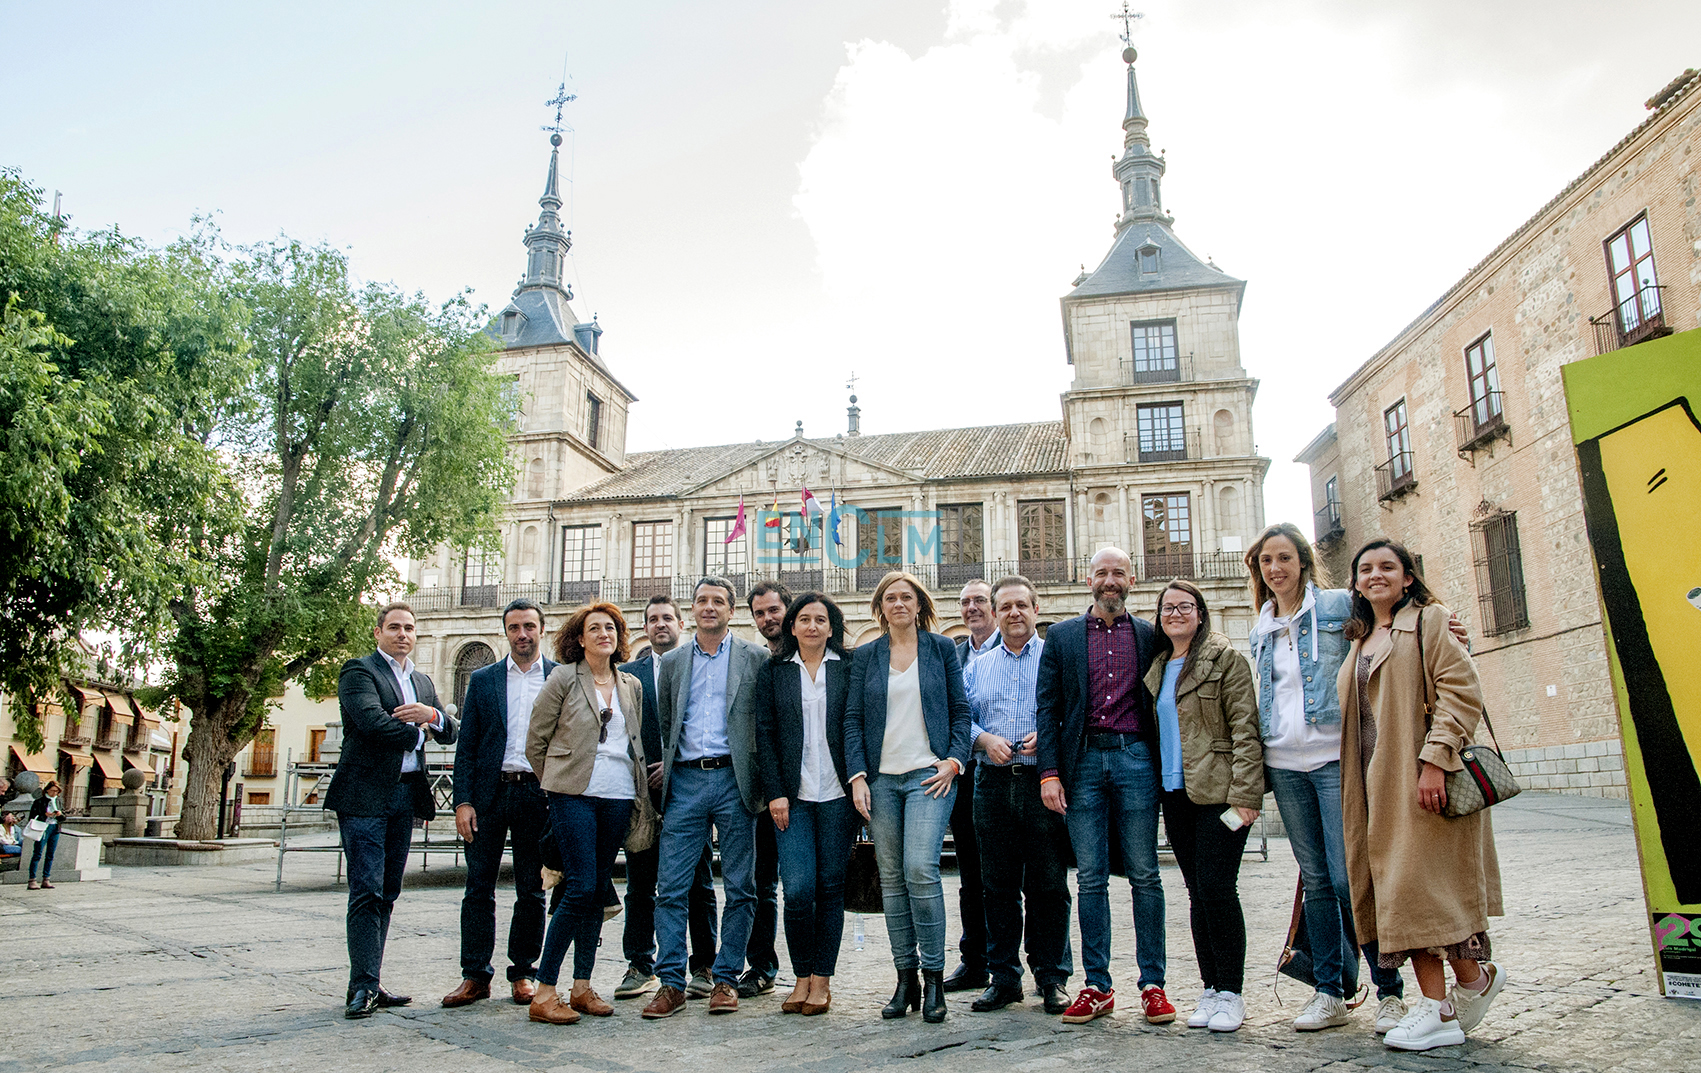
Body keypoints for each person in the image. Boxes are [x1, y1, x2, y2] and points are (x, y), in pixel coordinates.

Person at [1245, 523, 1461, 1034]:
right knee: (1317, 882)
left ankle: (1389, 992)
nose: (1275, 569)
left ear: (1302, 561)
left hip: (1337, 759)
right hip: (1284, 763)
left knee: (1351, 878)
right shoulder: (1260, 625)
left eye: (1284, 558)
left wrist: (1451, 630)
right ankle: (1329, 992)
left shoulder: (1341, 605)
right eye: (1265, 562)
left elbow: (1396, 624)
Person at [1339, 540, 1505, 1052]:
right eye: (1365, 569)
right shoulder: (1360, 637)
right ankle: (1465, 987)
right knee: (1400, 895)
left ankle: (1438, 1009)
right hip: (1371, 788)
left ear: (1408, 577)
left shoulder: (1430, 620)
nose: (1375, 575)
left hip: (1416, 780)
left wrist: (1435, 759)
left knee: (1419, 894)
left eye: (1387, 567)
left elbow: (1461, 689)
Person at [1036, 546, 1173, 1026]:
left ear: (1131, 579)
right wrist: (1049, 773)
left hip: (1137, 759)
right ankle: (1097, 985)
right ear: (1087, 579)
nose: (1109, 580)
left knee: (1145, 874)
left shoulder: (1150, 636)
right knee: (1091, 878)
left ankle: (1153, 985)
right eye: (1101, 572)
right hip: (1083, 762)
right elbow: (1047, 708)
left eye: (1117, 572)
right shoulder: (1063, 636)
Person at [844, 570, 971, 1024]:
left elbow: (961, 710)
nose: (899, 603)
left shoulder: (941, 649)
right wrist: (858, 776)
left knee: (921, 870)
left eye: (907, 597)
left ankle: (935, 979)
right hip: (880, 781)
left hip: (927, 776)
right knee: (892, 880)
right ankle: (906, 979)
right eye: (890, 598)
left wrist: (954, 760)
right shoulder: (867, 656)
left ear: (920, 605)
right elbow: (853, 718)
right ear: (881, 607)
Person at [640, 577, 770, 1019]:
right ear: (691, 610)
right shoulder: (674, 662)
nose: (709, 607)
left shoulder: (755, 657)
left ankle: (726, 979)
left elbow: (763, 723)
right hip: (687, 783)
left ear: (731, 610)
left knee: (740, 887)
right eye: (701, 601)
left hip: (735, 781)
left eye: (718, 601)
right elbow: (666, 723)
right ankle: (672, 982)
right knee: (671, 887)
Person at [326, 602, 458, 1019]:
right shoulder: (359, 671)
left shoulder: (419, 679)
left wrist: (432, 714)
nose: (403, 634)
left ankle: (371, 981)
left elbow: (450, 730)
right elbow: (370, 723)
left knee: (388, 892)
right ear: (379, 632)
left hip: (404, 796)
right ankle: (362, 987)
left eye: (409, 628)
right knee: (366, 889)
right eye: (395, 627)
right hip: (363, 795)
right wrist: (419, 732)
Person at [523, 602, 652, 1025]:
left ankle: (581, 987)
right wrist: (558, 783)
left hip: (617, 797)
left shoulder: (630, 684)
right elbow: (535, 741)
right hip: (573, 795)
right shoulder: (562, 677)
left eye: (611, 628)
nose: (604, 634)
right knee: (579, 887)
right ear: (579, 638)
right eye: (594, 628)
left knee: (595, 890)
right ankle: (544, 990)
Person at [1144, 581, 1263, 1033]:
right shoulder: (1157, 666)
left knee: (1217, 887)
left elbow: (1245, 729)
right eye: (1168, 607)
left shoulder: (1225, 659)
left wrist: (1246, 796)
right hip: (1175, 793)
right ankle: (1211, 987)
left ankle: (1232, 992)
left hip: (1218, 791)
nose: (1176, 613)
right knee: (1197, 892)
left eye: (1185, 606)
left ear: (1200, 612)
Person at [964, 575, 1073, 1015]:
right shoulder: (976, 667)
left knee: (1049, 884)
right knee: (997, 887)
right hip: (991, 785)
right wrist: (983, 740)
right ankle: (1003, 977)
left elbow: (1071, 716)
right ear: (995, 612)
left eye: (1021, 605)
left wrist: (1049, 739)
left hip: (1041, 785)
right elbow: (959, 721)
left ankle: (1052, 978)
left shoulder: (1056, 660)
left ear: (1036, 608)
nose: (1013, 613)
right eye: (1005, 606)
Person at [442, 600, 558, 1009]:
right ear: (505, 631)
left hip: (538, 795)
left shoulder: (559, 677)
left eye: (529, 626)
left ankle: (523, 972)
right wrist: (463, 801)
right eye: (514, 627)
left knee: (532, 889)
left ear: (542, 629)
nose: (522, 634)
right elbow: (467, 746)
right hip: (489, 795)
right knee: (478, 888)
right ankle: (475, 975)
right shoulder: (484, 679)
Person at [615, 595, 721, 1001]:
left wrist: (673, 766)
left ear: (681, 624)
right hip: (641, 792)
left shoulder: (699, 666)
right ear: (644, 628)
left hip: (687, 787)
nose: (660, 625)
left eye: (667, 618)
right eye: (652, 620)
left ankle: (703, 965)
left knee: (697, 881)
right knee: (640, 880)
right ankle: (640, 963)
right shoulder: (628, 674)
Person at [755, 591, 856, 1016]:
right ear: (792, 627)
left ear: (831, 626)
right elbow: (765, 734)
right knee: (797, 889)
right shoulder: (773, 672)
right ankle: (799, 976)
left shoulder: (849, 668)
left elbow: (859, 725)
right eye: (804, 620)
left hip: (838, 796)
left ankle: (822, 980)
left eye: (820, 620)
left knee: (830, 889)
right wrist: (776, 790)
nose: (812, 626)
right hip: (792, 799)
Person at [944, 578, 997, 994]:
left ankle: (1041, 965)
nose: (972, 608)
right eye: (965, 602)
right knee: (970, 876)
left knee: (1031, 877)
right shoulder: (954, 655)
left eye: (979, 600)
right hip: (967, 776)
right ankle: (975, 961)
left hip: (1013, 772)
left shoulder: (1020, 647)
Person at [740, 579, 793, 997]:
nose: (767, 619)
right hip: (762, 792)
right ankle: (762, 966)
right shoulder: (757, 662)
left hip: (807, 790)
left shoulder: (807, 656)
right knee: (761, 882)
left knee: (803, 885)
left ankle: (813, 972)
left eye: (773, 610)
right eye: (759, 613)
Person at [25, 784, 64, 889]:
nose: (54, 793)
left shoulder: (58, 801)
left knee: (50, 854)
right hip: (42, 827)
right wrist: (44, 814)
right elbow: (32, 817)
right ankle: (32, 879)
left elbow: (64, 817)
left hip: (55, 827)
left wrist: (60, 814)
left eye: (57, 791)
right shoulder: (39, 801)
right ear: (47, 790)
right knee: (38, 853)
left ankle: (46, 878)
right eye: (52, 790)